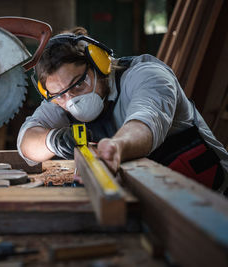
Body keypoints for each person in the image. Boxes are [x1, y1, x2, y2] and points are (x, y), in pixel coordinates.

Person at [17, 27, 228, 194]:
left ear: (98, 64)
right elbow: (26, 141)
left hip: (213, 194)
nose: (71, 100)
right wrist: (53, 140)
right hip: (158, 197)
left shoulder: (147, 76)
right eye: (60, 95)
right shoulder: (60, 96)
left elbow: (145, 123)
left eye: (79, 84)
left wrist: (116, 147)